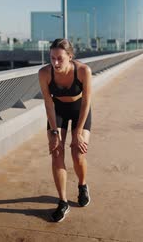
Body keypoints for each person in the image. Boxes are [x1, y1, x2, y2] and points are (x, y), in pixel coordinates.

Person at [38, 38, 92, 222]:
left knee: (78, 153)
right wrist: (54, 133)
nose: (55, 62)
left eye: (60, 58)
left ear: (70, 56)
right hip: (58, 110)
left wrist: (77, 132)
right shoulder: (44, 73)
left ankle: (82, 185)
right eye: (52, 58)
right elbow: (48, 103)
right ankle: (63, 202)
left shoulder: (83, 71)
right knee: (56, 152)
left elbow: (86, 101)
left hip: (79, 110)